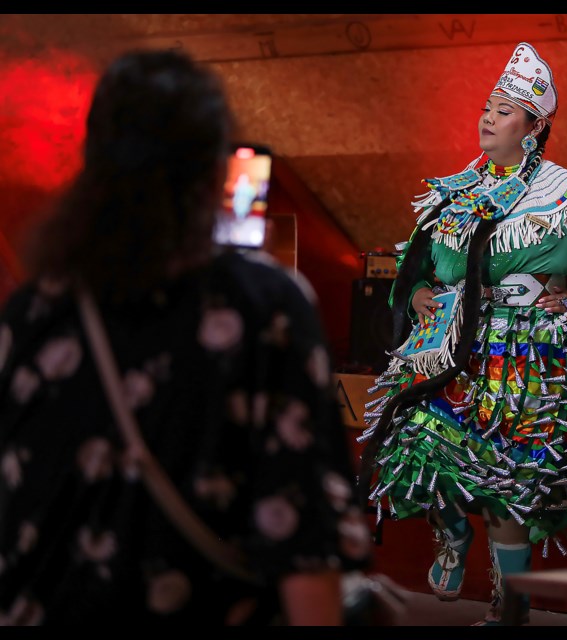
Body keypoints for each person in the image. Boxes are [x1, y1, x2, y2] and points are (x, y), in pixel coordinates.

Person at [0, 49, 370, 625]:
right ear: (211, 166)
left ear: (94, 163)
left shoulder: (32, 313)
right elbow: (301, 533)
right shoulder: (266, 306)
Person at [357, 42, 567, 625]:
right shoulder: (454, 195)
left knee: (506, 481)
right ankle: (452, 534)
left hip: (522, 354)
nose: (487, 117)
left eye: (503, 111)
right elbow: (412, 269)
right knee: (417, 449)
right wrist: (418, 291)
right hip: (444, 349)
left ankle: (510, 605)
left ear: (533, 128)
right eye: (487, 107)